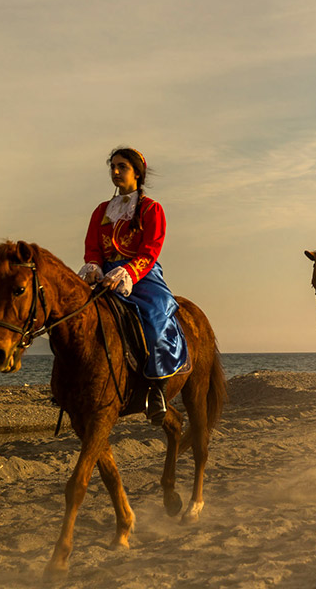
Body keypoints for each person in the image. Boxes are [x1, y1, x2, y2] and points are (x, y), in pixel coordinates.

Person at [77, 147, 187, 425]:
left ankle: (158, 388)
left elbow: (150, 251)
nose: (115, 171)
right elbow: (92, 247)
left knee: (156, 321)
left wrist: (126, 272)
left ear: (137, 172)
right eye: (112, 167)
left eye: (122, 167)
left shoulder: (152, 209)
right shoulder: (101, 211)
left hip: (140, 275)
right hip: (104, 275)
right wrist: (94, 266)